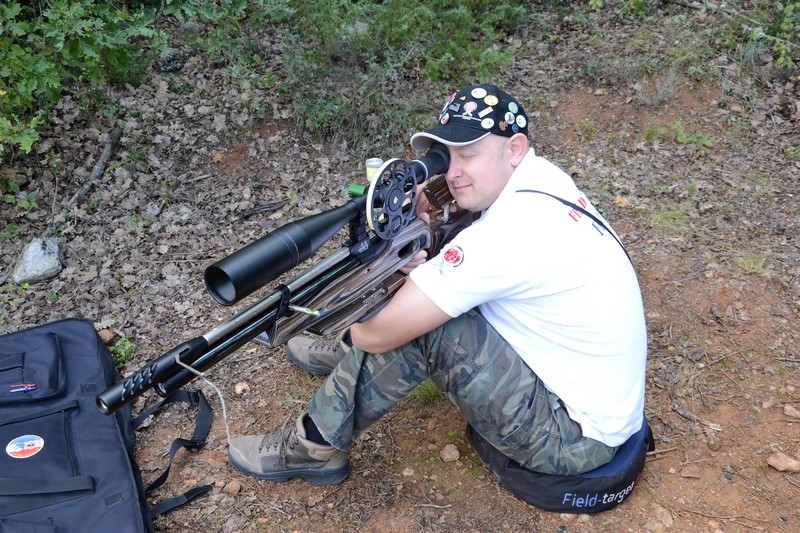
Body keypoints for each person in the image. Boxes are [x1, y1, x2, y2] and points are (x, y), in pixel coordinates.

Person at [229, 84, 647, 487]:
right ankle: (343, 355)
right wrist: (429, 216)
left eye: (469, 154)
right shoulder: (539, 179)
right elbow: (467, 239)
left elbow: (378, 334)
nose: (454, 171)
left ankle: (311, 448)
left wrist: (373, 290)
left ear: (514, 148)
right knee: (431, 295)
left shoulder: (512, 232)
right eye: (446, 156)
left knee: (427, 329)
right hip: (587, 398)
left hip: (573, 439)